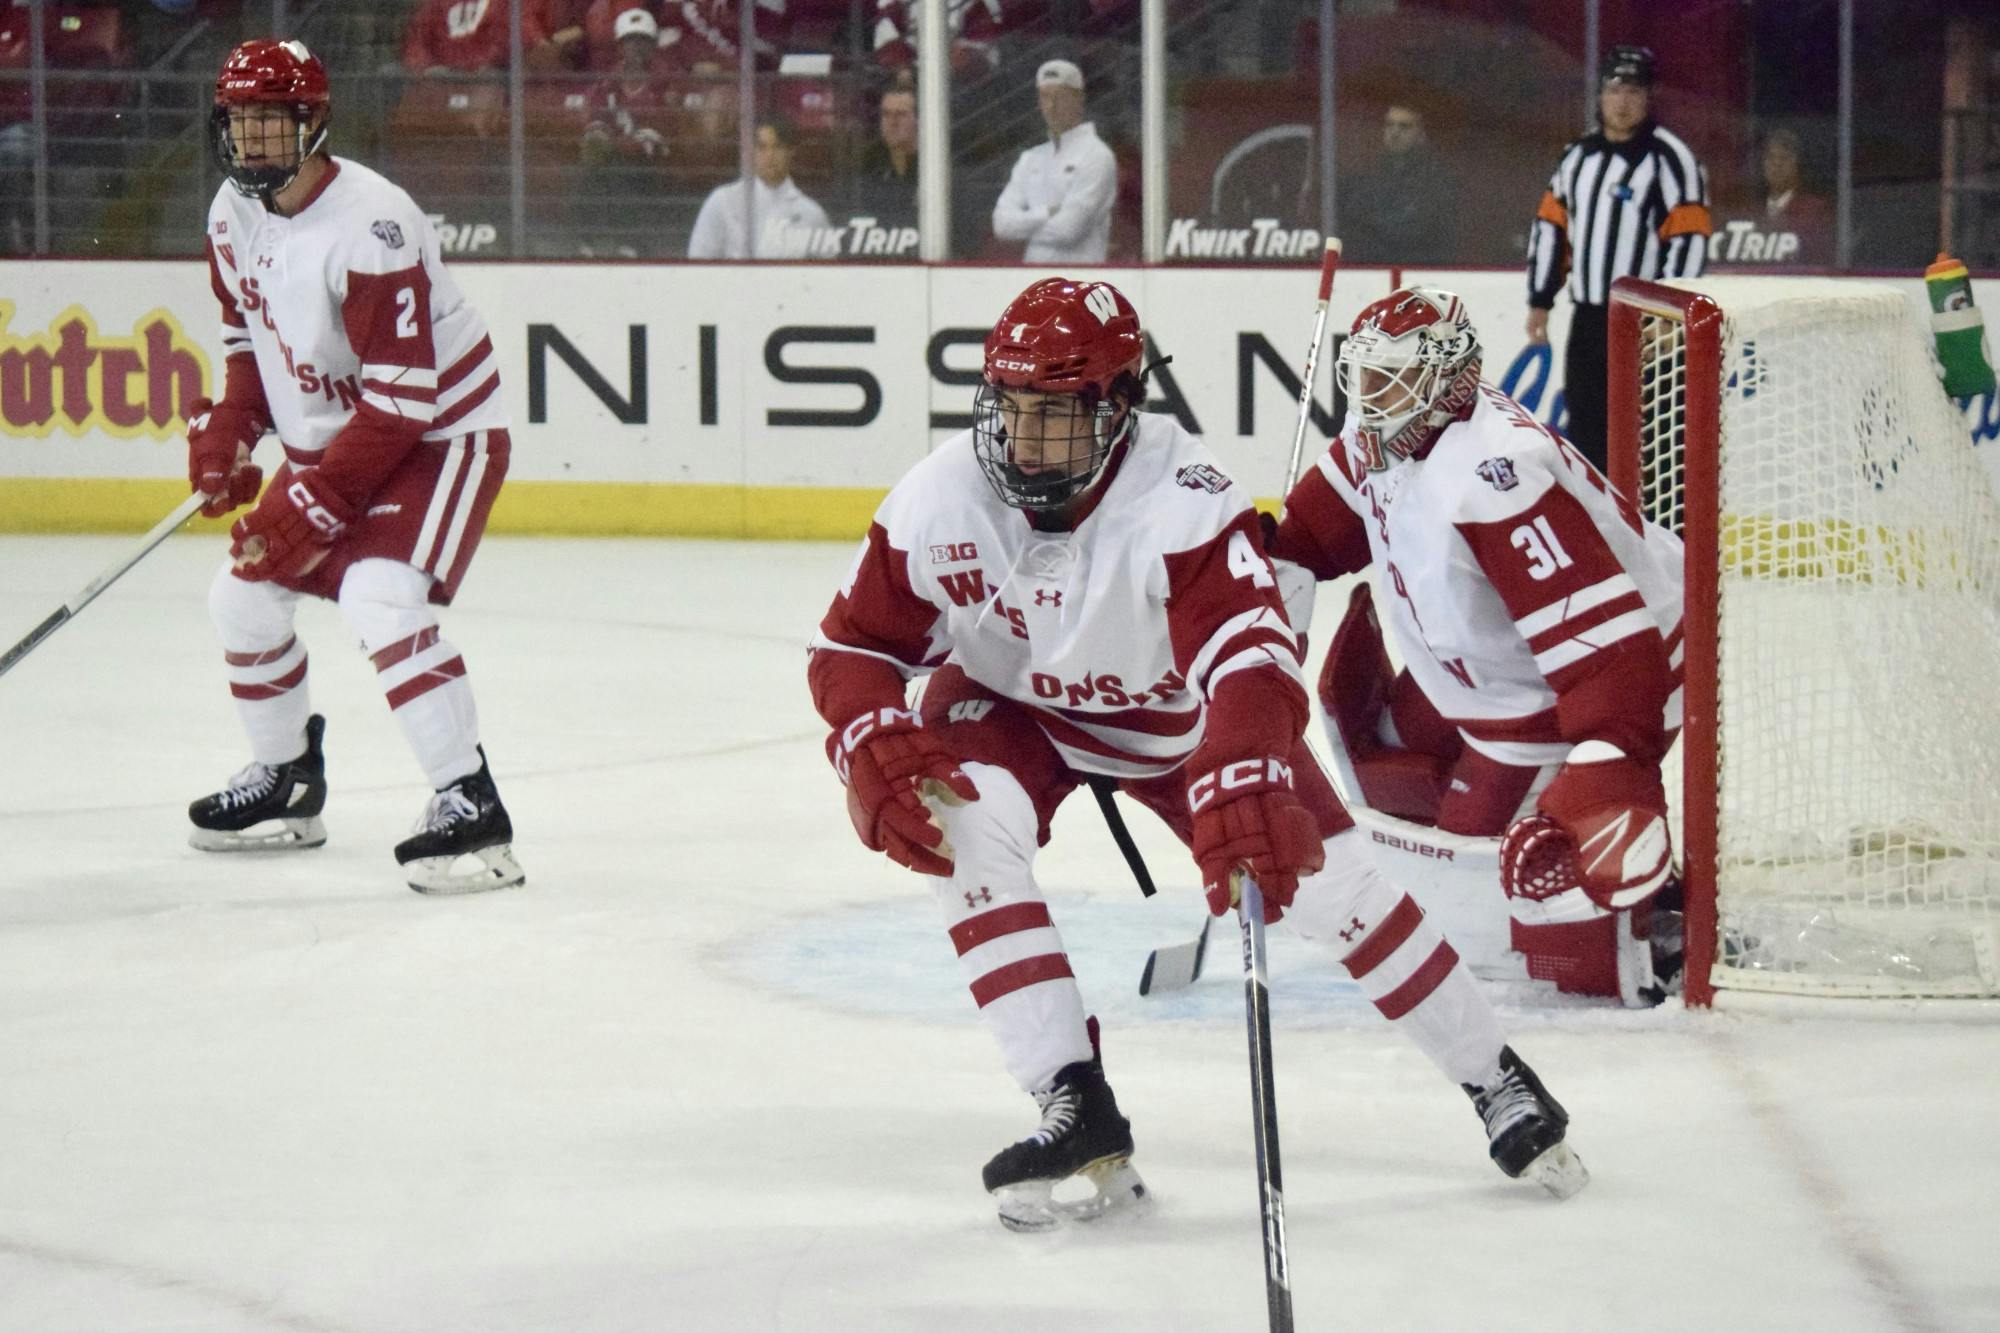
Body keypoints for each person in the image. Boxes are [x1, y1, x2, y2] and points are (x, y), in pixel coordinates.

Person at [807, 276, 1587, 1231]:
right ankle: (1072, 1099)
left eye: (1050, 414)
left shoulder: (1183, 501)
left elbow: (1256, 663)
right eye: (1008, 407)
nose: (1020, 438)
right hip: (1015, 710)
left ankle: (1495, 1077)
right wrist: (865, 729)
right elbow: (849, 646)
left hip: (1182, 729)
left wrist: (1247, 762)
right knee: (958, 823)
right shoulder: (942, 498)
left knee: (1342, 893)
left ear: (1121, 406)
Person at [1268, 286, 1685, 1005]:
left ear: (1445, 383)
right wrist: (1255, 575)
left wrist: (1606, 770)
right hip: (1490, 671)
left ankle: (1649, 920)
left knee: (1476, 897)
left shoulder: (1499, 475)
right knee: (1390, 754)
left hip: (1584, 685)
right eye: (1364, 378)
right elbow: (1309, 534)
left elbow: (1609, 649)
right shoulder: (1389, 433)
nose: (1370, 398)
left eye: (1389, 380)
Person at [186, 38, 523, 897]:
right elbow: (246, 341)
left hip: (439, 437)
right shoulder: (231, 213)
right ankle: (287, 780)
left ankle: (470, 801)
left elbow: (405, 400)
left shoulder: (373, 223)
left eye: (271, 123)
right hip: (343, 438)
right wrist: (232, 427)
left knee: (380, 595)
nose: (253, 142)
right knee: (242, 595)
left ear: (313, 123)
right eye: (240, 123)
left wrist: (317, 501)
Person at [1525, 44, 1710, 472]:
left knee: (1653, 437)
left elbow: (1689, 240)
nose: (1622, 101)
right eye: (1614, 89)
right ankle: (1599, 529)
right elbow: (1553, 228)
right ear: (1600, 95)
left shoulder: (1670, 159)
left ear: (1648, 97)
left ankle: (1657, 533)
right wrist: (1540, 298)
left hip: (1647, 324)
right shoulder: (1578, 156)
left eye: (1633, 90)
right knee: (1587, 427)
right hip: (1589, 318)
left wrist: (1670, 312)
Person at [990, 59, 1116, 264]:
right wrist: (1047, 212)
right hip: (1033, 283)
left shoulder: (1097, 155)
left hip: (1080, 282)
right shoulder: (1030, 158)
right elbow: (1001, 225)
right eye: (1045, 97)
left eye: (1061, 97)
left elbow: (1068, 230)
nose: (1052, 106)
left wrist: (1024, 224)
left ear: (1079, 99)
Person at [686, 117, 830, 259]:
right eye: (762, 147)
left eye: (778, 147)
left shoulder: (812, 214)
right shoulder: (723, 202)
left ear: (791, 152)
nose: (770, 156)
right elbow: (699, 263)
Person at [1340, 104, 1458, 265]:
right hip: (1369, 271)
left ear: (1421, 134)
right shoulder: (1363, 180)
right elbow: (1352, 227)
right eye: (1389, 125)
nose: (1395, 132)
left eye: (1405, 126)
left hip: (1422, 272)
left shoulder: (1438, 181)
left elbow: (1419, 231)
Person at [1716, 127, 1832, 267]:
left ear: (1798, 164)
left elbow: (1820, 262)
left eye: (1784, 158)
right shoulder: (1750, 210)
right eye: (1770, 157)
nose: (1776, 164)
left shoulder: (1814, 210)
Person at [401, 0, 583, 73]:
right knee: (392, 74)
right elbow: (419, 37)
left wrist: (478, 65)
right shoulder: (438, 3)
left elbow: (512, 34)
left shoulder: (506, 4)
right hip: (441, 76)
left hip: (488, 74)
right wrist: (423, 68)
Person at [851, 80, 918, 234]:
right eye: (886, 114)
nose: (892, 122)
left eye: (901, 115)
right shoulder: (867, 161)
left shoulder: (935, 163)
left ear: (918, 120)